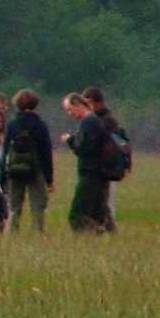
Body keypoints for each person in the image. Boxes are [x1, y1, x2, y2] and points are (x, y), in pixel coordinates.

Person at [0, 89, 55, 233]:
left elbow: (5, 150)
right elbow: (46, 153)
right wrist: (49, 179)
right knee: (38, 206)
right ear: (35, 104)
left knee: (13, 207)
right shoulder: (40, 125)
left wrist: (2, 174)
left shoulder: (12, 124)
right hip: (35, 170)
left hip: (14, 171)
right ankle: (37, 232)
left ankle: (11, 234)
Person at [62, 91, 115, 234]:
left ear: (77, 103)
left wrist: (70, 140)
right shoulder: (94, 120)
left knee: (76, 215)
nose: (69, 114)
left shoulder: (88, 121)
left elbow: (86, 148)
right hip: (98, 173)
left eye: (69, 109)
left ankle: (90, 235)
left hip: (90, 173)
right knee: (98, 213)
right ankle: (105, 235)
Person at [82, 85, 128, 231]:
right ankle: (104, 226)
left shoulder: (107, 121)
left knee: (105, 200)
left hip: (106, 167)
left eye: (87, 103)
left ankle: (107, 227)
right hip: (101, 166)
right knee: (100, 200)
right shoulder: (99, 119)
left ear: (96, 102)